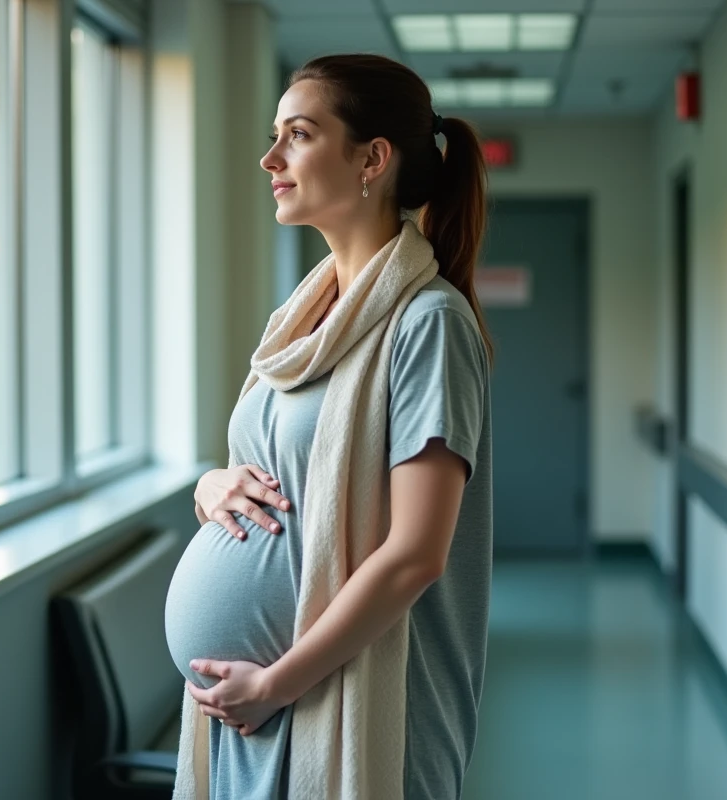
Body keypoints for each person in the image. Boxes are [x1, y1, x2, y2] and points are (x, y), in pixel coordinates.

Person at [164, 53, 494, 800]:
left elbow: (416, 554)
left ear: (372, 158)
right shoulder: (305, 319)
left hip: (342, 701)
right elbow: (271, 465)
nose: (269, 157)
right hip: (258, 706)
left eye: (299, 135)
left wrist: (277, 682)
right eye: (274, 135)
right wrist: (214, 487)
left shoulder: (427, 323)